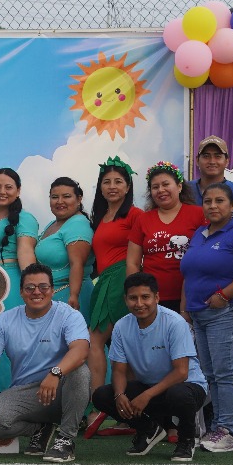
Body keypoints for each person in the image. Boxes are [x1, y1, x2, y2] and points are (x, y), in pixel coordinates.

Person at [0, 263, 90, 463]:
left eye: (43, 287)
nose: (37, 292)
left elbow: (80, 351)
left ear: (52, 290)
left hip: (61, 388)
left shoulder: (69, 315)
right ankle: (40, 429)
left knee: (80, 371)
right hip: (27, 393)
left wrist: (55, 373)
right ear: (21, 292)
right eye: (30, 288)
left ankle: (66, 438)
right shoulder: (5, 321)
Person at [179, 182, 233, 453]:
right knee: (211, 374)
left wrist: (224, 295)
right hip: (199, 315)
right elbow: (190, 273)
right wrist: (185, 307)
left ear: (232, 206)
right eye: (208, 201)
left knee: (225, 373)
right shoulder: (200, 233)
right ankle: (218, 427)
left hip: (228, 313)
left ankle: (228, 432)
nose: (213, 206)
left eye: (219, 201)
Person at [90, 272, 209, 462]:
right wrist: (119, 395)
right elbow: (119, 370)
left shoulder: (175, 322)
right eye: (133, 298)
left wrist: (146, 396)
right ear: (125, 300)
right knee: (102, 396)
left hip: (186, 387)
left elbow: (181, 372)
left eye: (145, 297)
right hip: (150, 387)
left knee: (178, 394)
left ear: (157, 297)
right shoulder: (121, 326)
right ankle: (149, 429)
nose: (139, 304)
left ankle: (186, 440)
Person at [87, 156, 142, 392]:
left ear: (128, 187)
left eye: (118, 181)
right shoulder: (100, 218)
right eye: (106, 181)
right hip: (105, 281)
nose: (112, 186)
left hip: (123, 279)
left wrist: (132, 287)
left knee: (101, 341)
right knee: (116, 343)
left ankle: (102, 403)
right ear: (100, 187)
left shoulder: (135, 214)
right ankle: (108, 402)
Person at [126, 162, 204, 311]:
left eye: (166, 184)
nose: (161, 190)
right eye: (155, 187)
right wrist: (136, 294)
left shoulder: (199, 214)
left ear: (179, 186)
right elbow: (132, 263)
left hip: (193, 296)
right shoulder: (143, 219)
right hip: (152, 300)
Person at [0, 167, 37, 310]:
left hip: (9, 283)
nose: (2, 191)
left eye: (8, 187)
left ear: (18, 190)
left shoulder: (25, 218)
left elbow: (26, 252)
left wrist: (32, 285)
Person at [35, 176, 94, 313]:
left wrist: (74, 295)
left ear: (79, 199)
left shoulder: (78, 224)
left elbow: (77, 263)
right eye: (54, 197)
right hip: (52, 296)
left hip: (71, 298)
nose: (60, 201)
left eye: (66, 196)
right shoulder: (53, 224)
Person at [187, 135, 233, 213]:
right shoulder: (185, 191)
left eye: (217, 156)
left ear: (227, 161)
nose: (212, 161)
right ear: (197, 160)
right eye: (206, 156)